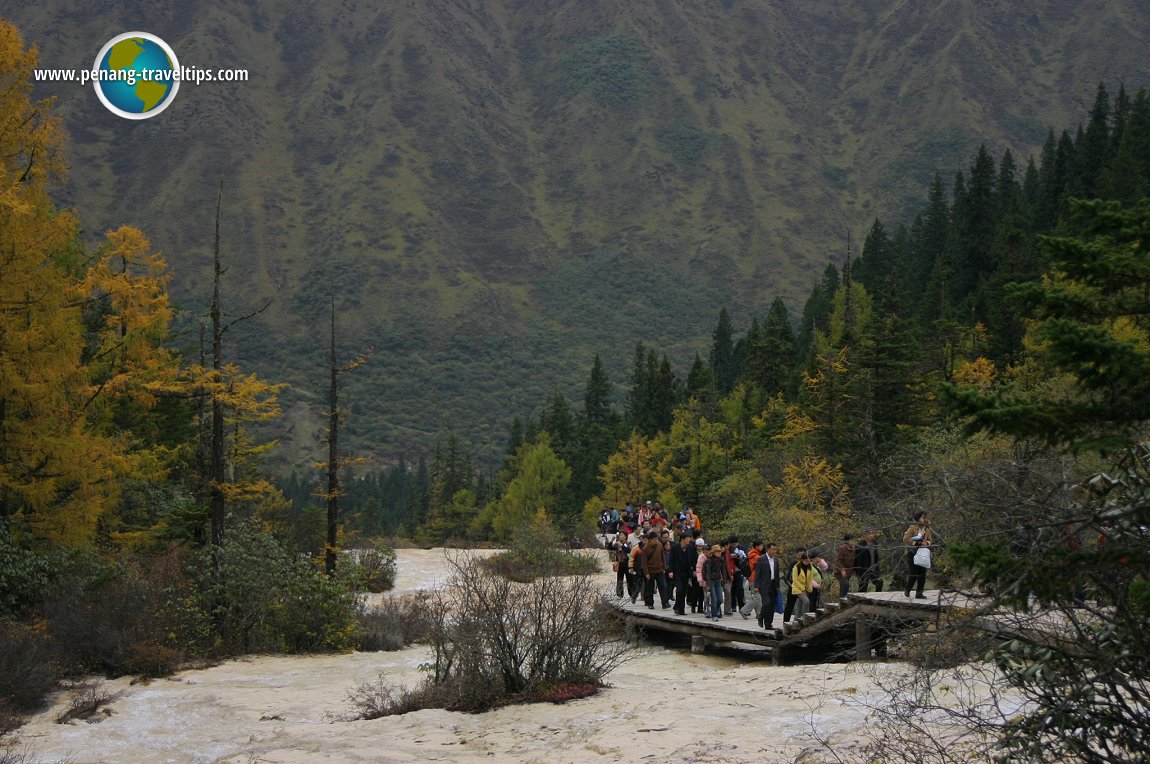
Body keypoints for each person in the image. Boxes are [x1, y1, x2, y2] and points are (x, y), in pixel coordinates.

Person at [903, 512, 934, 599]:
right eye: (922, 518)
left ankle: (919, 593)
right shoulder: (912, 528)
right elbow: (905, 539)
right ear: (918, 518)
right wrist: (915, 542)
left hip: (922, 553)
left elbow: (930, 539)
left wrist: (926, 543)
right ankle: (908, 589)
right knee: (914, 573)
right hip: (912, 553)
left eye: (924, 518)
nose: (924, 519)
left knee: (922, 574)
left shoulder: (926, 529)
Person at [755, 542, 782, 629]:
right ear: (768, 549)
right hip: (764, 585)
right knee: (767, 603)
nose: (774, 551)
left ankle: (768, 624)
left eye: (775, 549)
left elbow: (777, 574)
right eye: (772, 549)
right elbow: (757, 573)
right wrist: (756, 586)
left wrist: (778, 586)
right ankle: (760, 616)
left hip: (773, 584)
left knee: (772, 605)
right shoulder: (761, 559)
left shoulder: (776, 560)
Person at [642, 530, 670, 609]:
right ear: (650, 539)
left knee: (663, 586)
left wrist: (664, 567)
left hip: (660, 570)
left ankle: (665, 603)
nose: (656, 541)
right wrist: (646, 573)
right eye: (654, 539)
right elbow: (644, 562)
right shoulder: (645, 548)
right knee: (650, 588)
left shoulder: (660, 545)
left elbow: (663, 557)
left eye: (656, 539)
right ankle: (650, 603)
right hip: (650, 571)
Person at [669, 533, 694, 614]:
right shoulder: (675, 548)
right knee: (679, 589)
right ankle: (677, 606)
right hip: (677, 572)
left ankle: (680, 610)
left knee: (684, 591)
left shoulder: (690, 548)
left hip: (687, 572)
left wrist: (693, 570)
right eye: (687, 538)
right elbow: (671, 560)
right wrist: (670, 571)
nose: (689, 540)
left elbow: (693, 560)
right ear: (682, 539)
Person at [703, 545, 728, 620]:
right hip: (711, 581)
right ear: (713, 552)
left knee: (720, 599)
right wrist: (708, 584)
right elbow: (707, 572)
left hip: (718, 580)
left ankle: (716, 610)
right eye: (717, 551)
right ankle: (714, 615)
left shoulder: (722, 560)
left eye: (720, 551)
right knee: (714, 599)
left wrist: (725, 581)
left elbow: (723, 571)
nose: (719, 553)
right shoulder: (709, 560)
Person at [791, 550, 814, 619]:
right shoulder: (796, 567)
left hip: (805, 588)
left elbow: (810, 579)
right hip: (797, 588)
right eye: (806, 561)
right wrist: (803, 589)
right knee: (806, 601)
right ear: (802, 560)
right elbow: (795, 580)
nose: (807, 562)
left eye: (809, 561)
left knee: (800, 603)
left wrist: (809, 589)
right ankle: (805, 618)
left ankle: (796, 619)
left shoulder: (810, 567)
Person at [834, 534, 855, 598]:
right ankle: (842, 600)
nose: (853, 542)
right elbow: (838, 561)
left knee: (843, 586)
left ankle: (841, 602)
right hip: (839, 572)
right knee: (845, 584)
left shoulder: (853, 549)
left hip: (848, 572)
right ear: (847, 541)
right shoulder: (842, 549)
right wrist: (842, 570)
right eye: (851, 541)